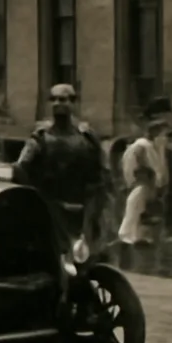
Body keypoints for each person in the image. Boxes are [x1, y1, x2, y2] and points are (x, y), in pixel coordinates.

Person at [13, 83, 108, 246]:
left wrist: (97, 211)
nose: (57, 104)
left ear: (73, 103)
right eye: (53, 99)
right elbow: (21, 167)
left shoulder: (87, 138)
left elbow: (100, 175)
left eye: (62, 99)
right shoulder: (41, 137)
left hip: (81, 208)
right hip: (50, 207)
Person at [117, 96, 172, 260]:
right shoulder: (142, 146)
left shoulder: (159, 146)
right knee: (137, 209)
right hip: (144, 188)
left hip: (155, 189)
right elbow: (137, 172)